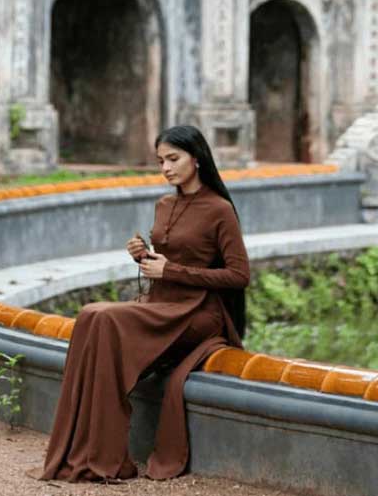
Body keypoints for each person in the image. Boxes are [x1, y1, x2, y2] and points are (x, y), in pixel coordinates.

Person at [40, 125, 250, 482]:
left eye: (173, 158)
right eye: (160, 161)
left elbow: (238, 275)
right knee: (90, 315)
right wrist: (144, 257)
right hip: (162, 303)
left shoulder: (219, 209)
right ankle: (83, 449)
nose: (166, 168)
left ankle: (105, 455)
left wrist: (172, 270)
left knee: (106, 320)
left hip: (198, 313)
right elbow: (165, 263)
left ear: (196, 159)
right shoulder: (164, 204)